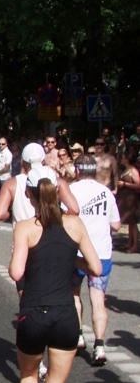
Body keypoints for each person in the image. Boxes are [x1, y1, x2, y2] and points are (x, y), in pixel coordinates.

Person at [9, 165, 101, 383]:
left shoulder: (25, 228)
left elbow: (17, 272)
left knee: (29, 376)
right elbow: (97, 266)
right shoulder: (74, 225)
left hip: (33, 312)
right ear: (57, 192)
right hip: (65, 315)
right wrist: (71, 260)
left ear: (29, 195)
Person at [69, 155, 121, 364]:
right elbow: (116, 225)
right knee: (98, 299)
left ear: (77, 170)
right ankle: (99, 345)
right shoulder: (106, 192)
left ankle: (79, 335)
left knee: (74, 294)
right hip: (101, 252)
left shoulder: (72, 190)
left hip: (77, 253)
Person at [0, 142, 79, 223]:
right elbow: (74, 210)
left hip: (23, 234)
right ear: (44, 161)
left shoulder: (11, 183)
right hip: (50, 233)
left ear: (22, 162)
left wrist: (12, 214)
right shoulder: (57, 181)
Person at [116, 148, 139, 253]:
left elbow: (138, 184)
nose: (121, 159)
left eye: (123, 157)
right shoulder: (125, 169)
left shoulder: (133, 170)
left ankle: (135, 245)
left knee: (133, 223)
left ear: (127, 159)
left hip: (131, 198)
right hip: (124, 197)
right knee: (129, 222)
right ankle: (129, 242)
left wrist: (125, 184)